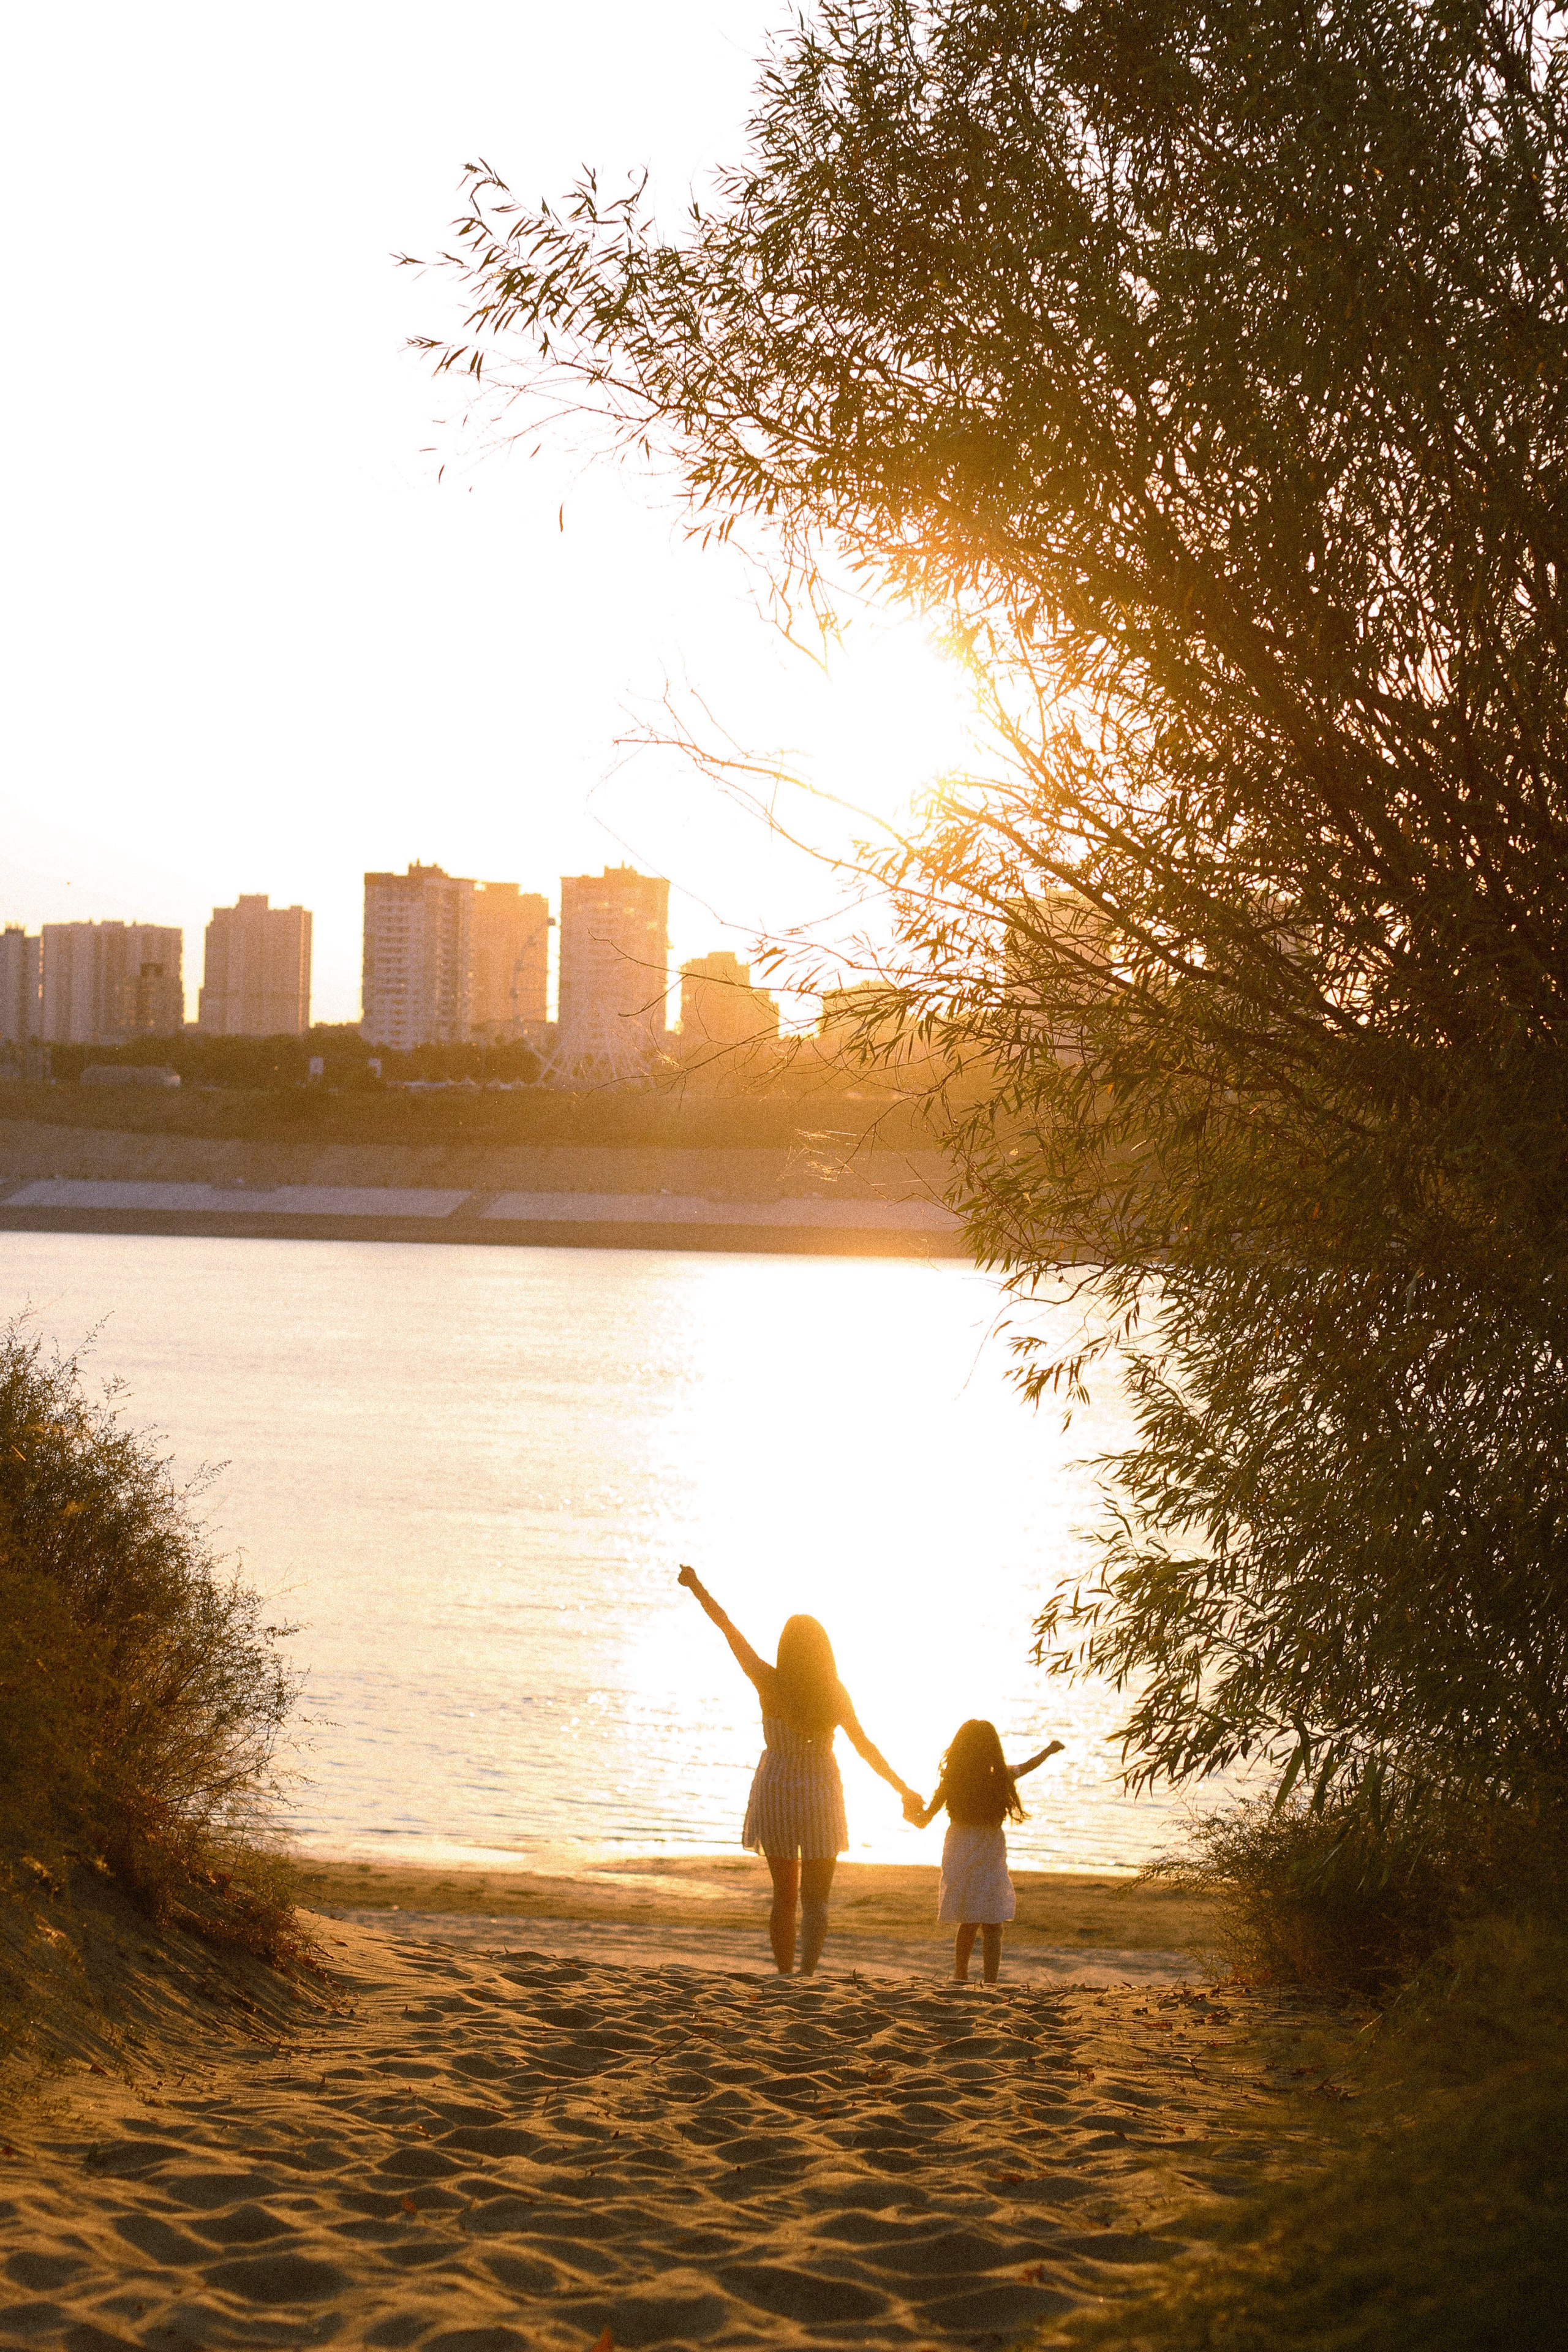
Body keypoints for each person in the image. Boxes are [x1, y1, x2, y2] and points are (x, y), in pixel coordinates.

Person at [676, 1564, 922, 1975]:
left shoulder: (767, 1681)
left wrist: (696, 1586)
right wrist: (902, 1788)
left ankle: (785, 1975)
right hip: (820, 1792)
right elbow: (865, 1747)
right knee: (816, 1900)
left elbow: (727, 1628)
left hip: (776, 1789)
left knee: (784, 1897)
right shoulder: (834, 1692)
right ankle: (807, 1973)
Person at [910, 1720, 1065, 1984]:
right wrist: (1047, 1752)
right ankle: (988, 1981)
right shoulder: (1000, 1777)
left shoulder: (954, 1780)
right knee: (992, 1921)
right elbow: (1025, 1767)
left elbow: (924, 1820)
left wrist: (908, 1809)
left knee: (972, 1919)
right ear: (993, 1747)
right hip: (987, 1850)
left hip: (962, 1848)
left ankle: (962, 1975)